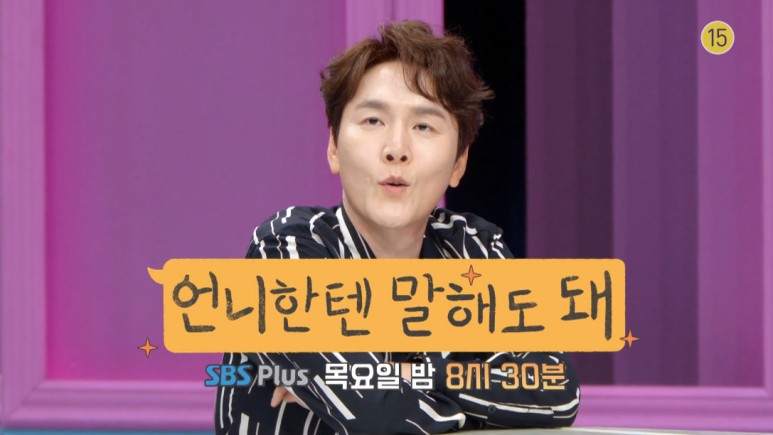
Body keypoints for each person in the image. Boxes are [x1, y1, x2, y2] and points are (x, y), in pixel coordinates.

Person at [215, 20, 580, 434]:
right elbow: (376, 417)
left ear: (458, 163)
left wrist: (407, 378)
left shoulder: (472, 248)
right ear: (334, 147)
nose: (396, 150)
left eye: (424, 126)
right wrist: (471, 398)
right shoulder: (286, 251)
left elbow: (557, 390)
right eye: (373, 121)